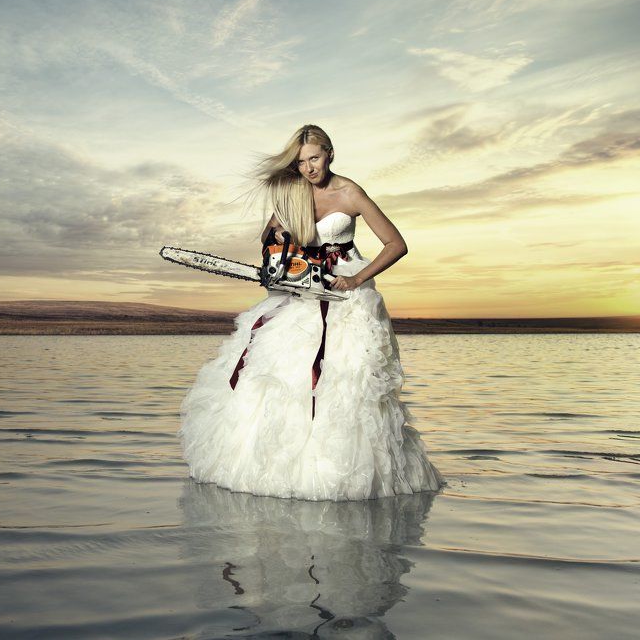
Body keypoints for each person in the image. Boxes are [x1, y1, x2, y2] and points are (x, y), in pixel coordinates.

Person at [178, 124, 444, 502]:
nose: (309, 168)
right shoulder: (293, 193)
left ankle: (344, 472)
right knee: (283, 374)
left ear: (330, 153)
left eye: (314, 158)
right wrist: (280, 241)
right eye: (301, 162)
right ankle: (282, 466)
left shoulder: (349, 192)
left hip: (345, 291)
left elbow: (395, 244)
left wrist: (356, 281)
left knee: (348, 382)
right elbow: (268, 238)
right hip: (303, 288)